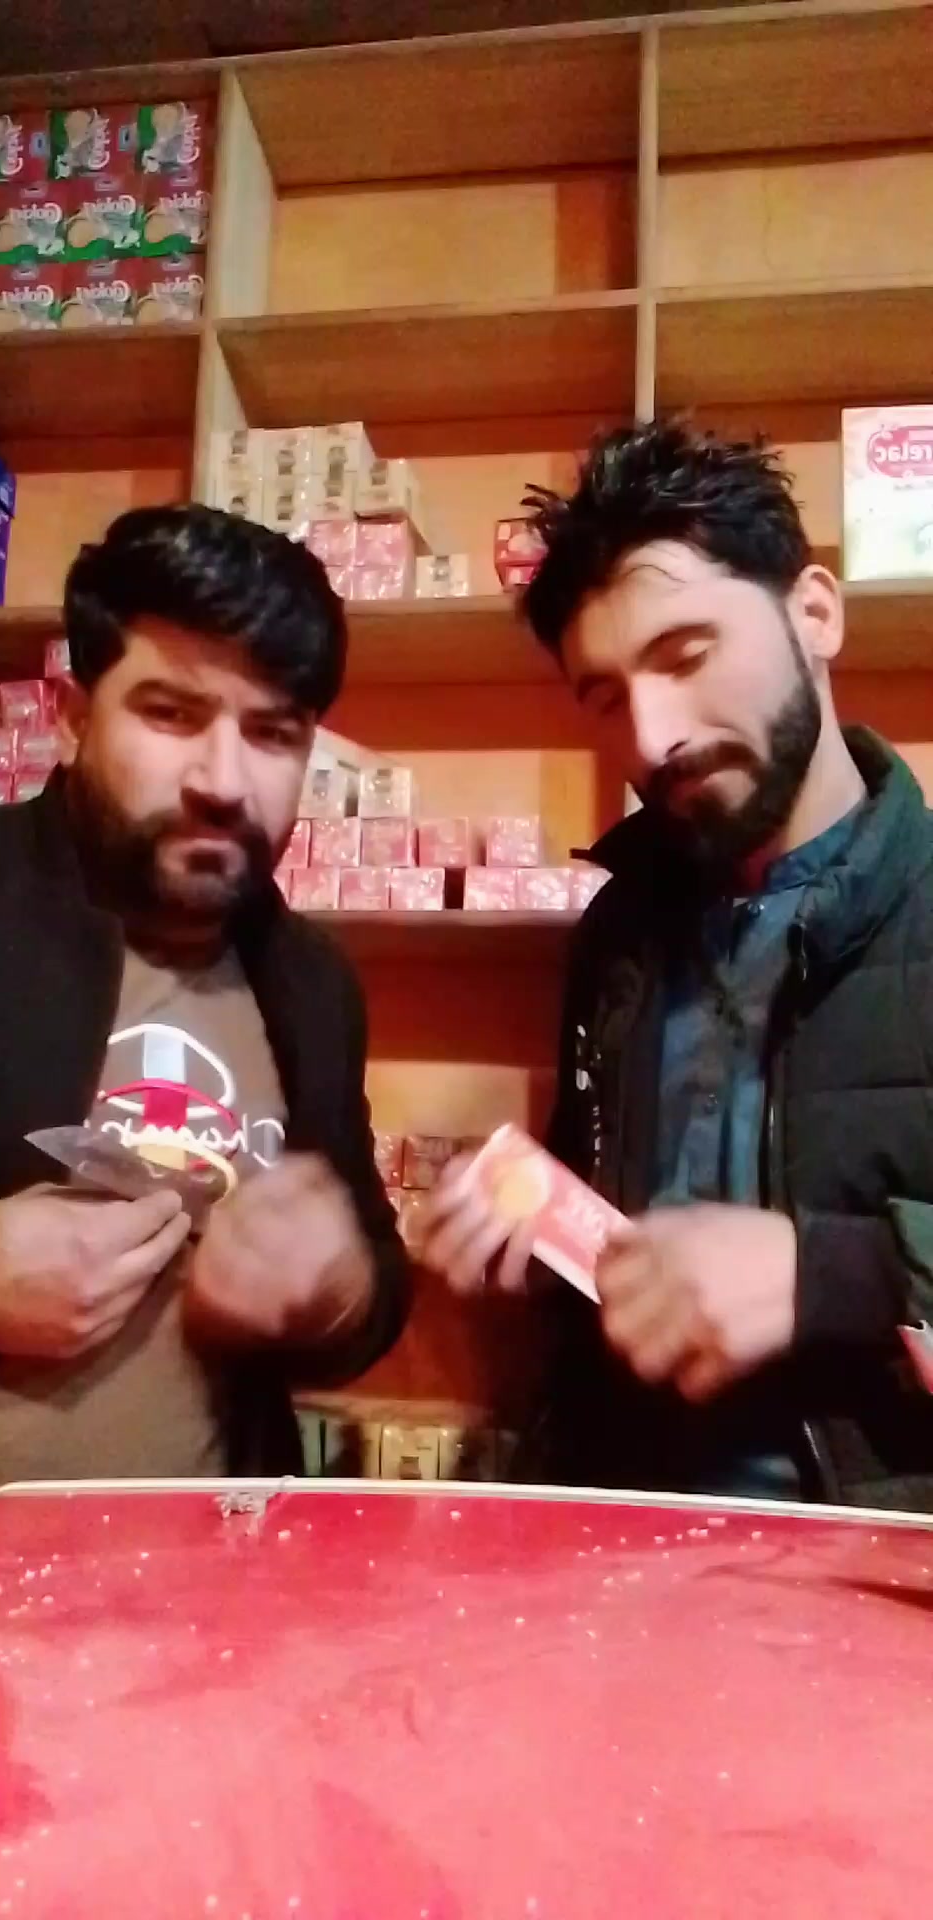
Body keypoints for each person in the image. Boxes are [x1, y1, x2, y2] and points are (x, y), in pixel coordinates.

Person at [0, 504, 409, 1548]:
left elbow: (368, 1282)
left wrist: (338, 1293)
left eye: (273, 733)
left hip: (205, 1604)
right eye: (171, 713)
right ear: (72, 714)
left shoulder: (312, 981)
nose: (223, 782)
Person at [425, 420, 933, 1510]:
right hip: (623, 1536)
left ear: (815, 614)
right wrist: (535, 1220)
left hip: (879, 1567)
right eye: (606, 696)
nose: (652, 737)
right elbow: (621, 1262)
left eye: (687, 656)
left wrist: (825, 1276)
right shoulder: (619, 933)